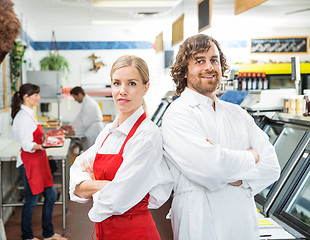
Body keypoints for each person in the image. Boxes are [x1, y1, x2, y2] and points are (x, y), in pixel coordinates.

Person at [161, 34, 281, 240]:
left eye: (214, 60)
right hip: (200, 225)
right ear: (184, 71)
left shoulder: (238, 113)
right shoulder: (177, 114)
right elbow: (211, 169)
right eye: (199, 61)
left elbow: (272, 167)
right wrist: (251, 156)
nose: (209, 67)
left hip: (243, 226)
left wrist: (237, 177)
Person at [69, 55, 173, 240]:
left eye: (131, 83)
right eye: (117, 83)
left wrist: (92, 182)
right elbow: (75, 178)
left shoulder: (147, 136)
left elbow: (116, 199)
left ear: (145, 87)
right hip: (106, 233)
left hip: (135, 234)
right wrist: (107, 185)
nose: (122, 91)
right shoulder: (108, 133)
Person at [11, 83, 67, 240]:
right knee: (32, 199)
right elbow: (27, 144)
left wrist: (49, 138)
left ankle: (48, 234)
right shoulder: (22, 117)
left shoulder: (30, 114)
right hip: (29, 162)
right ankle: (27, 236)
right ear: (26, 97)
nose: (39, 98)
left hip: (38, 160)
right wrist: (45, 144)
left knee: (50, 194)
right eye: (35, 95)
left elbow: (34, 137)